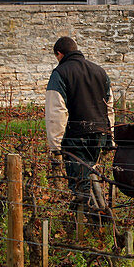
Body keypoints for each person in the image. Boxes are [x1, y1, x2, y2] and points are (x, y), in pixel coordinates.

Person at [44, 36, 115, 217]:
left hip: (76, 135)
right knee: (92, 173)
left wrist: (56, 145)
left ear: (59, 54)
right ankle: (97, 211)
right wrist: (110, 137)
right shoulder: (100, 71)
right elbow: (109, 107)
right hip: (99, 133)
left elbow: (56, 111)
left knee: (79, 182)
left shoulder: (60, 73)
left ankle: (89, 220)